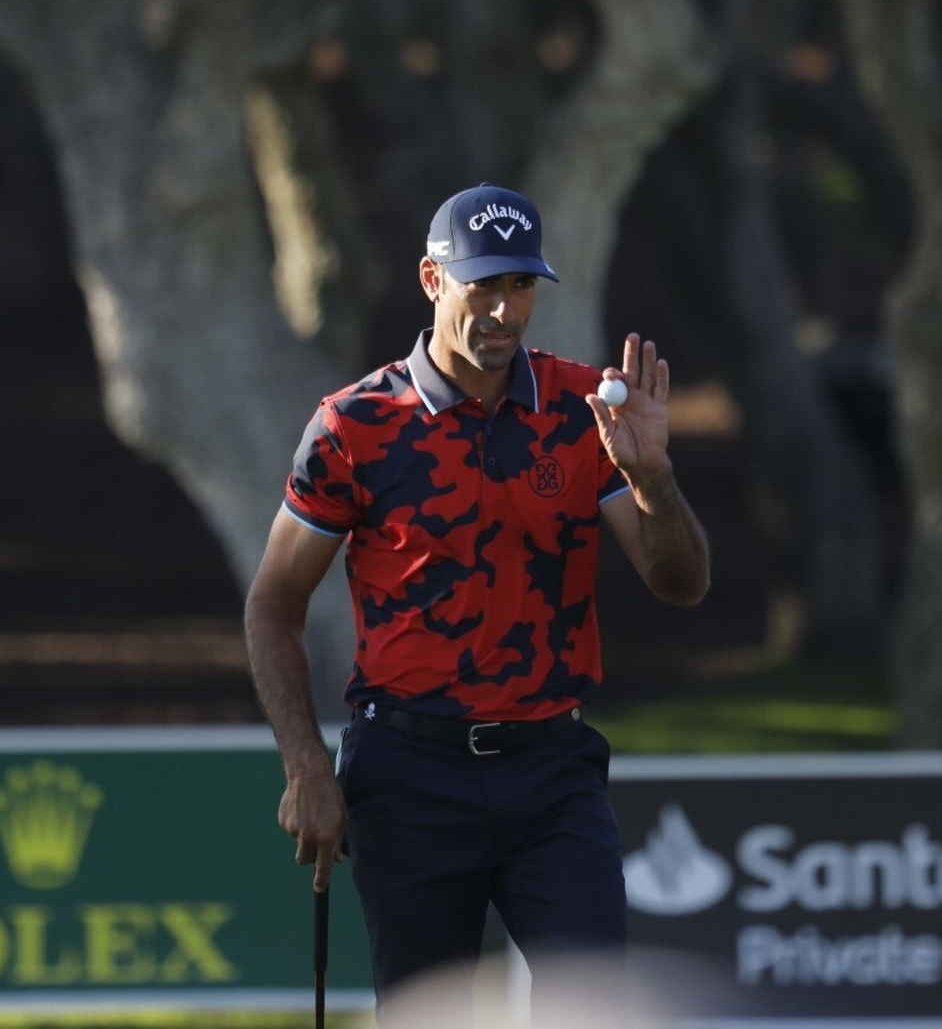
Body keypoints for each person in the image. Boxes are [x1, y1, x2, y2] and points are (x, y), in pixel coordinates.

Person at [244, 183, 710, 1020]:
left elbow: (679, 583)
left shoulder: (582, 412)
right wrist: (306, 763)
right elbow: (273, 603)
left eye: (522, 286)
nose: (503, 310)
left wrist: (654, 480)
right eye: (482, 285)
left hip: (552, 776)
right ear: (432, 280)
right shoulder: (354, 425)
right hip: (408, 779)